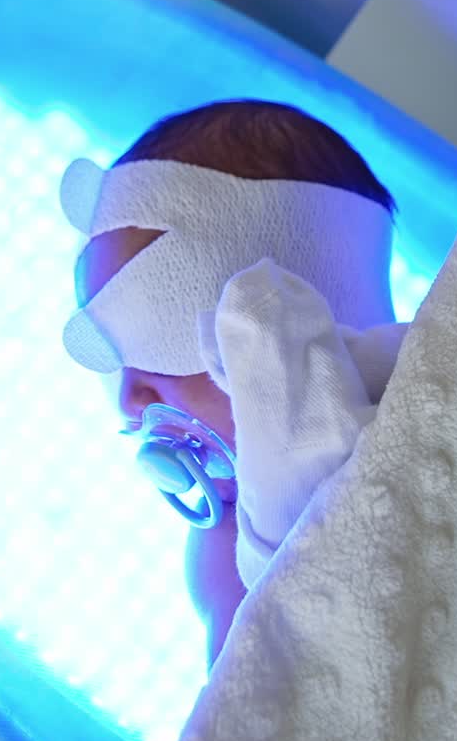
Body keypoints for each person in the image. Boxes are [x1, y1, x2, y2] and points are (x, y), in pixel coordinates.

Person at [62, 100, 407, 663]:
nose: (129, 399)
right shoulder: (220, 544)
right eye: (110, 354)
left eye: (155, 330)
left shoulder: (425, 394)